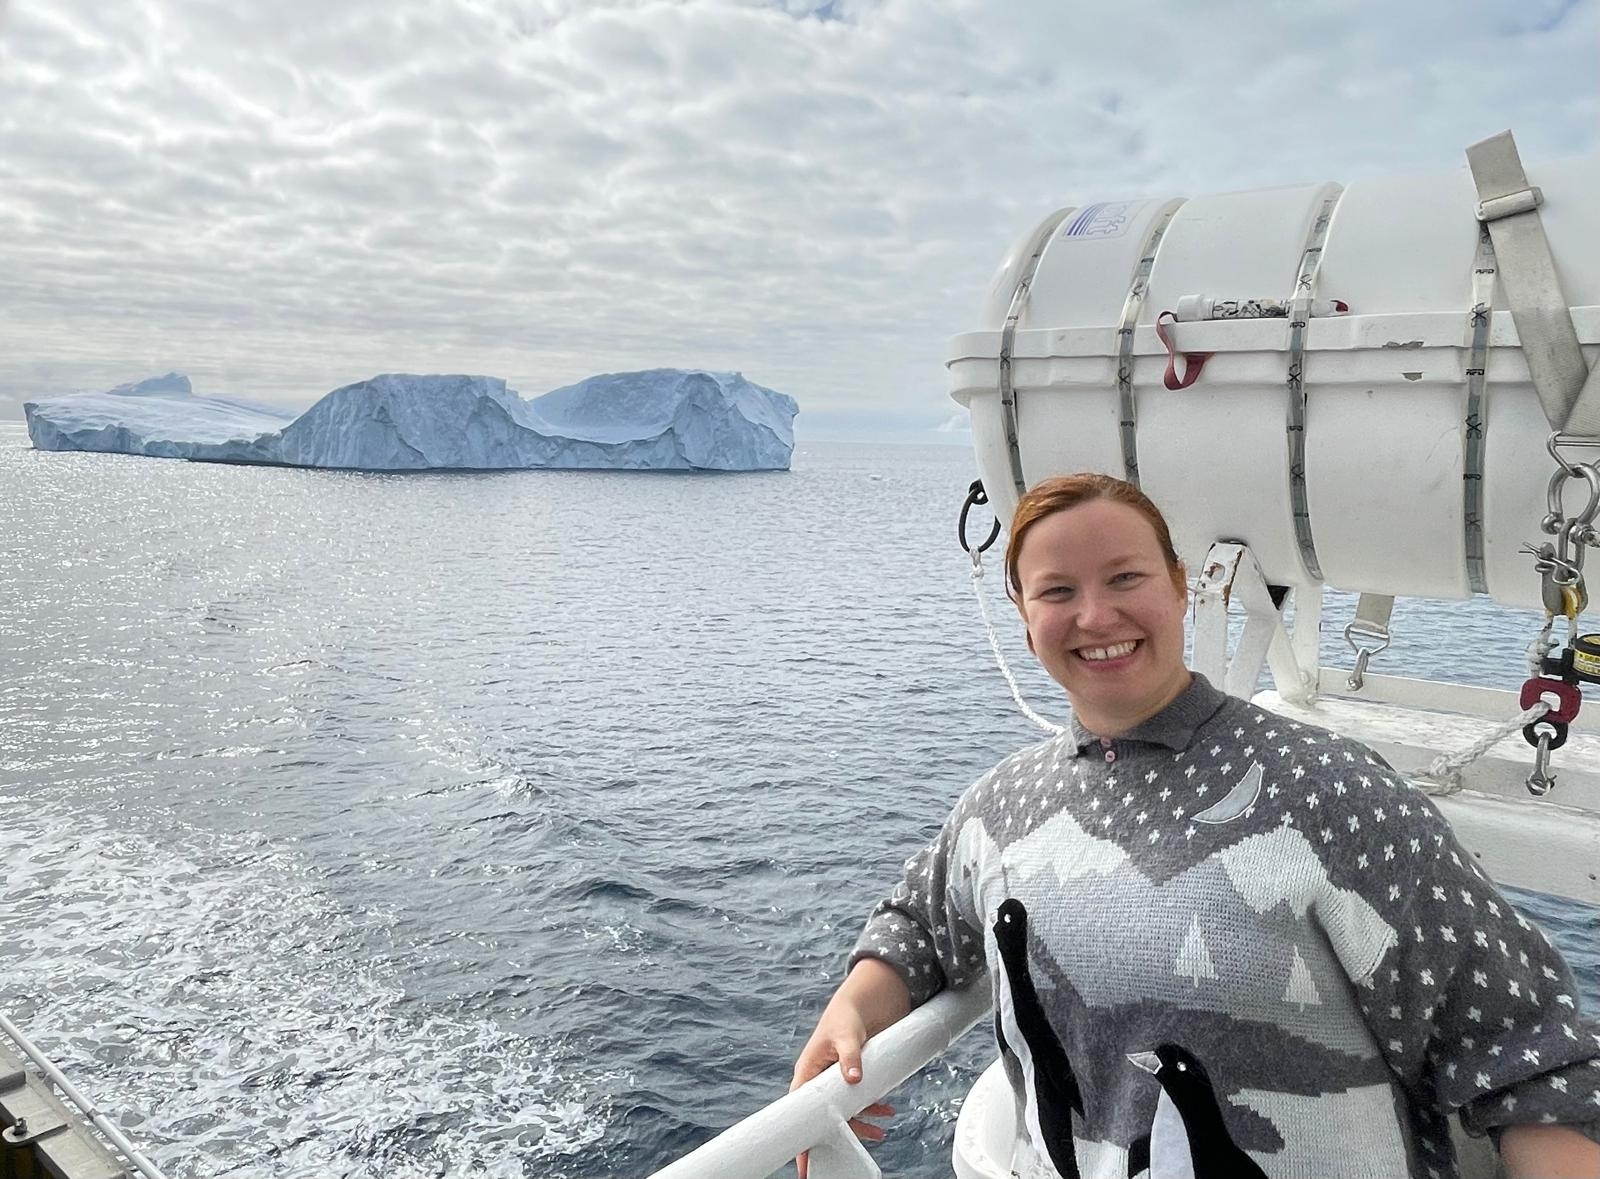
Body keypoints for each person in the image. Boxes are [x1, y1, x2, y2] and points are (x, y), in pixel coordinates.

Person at [792, 473, 1600, 1178]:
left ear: (1180, 586)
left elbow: (1521, 1041)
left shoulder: (1333, 792)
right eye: (1058, 590)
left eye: (1125, 577)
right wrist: (856, 1010)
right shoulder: (1002, 804)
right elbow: (920, 923)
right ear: (1022, 609)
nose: (1095, 614)